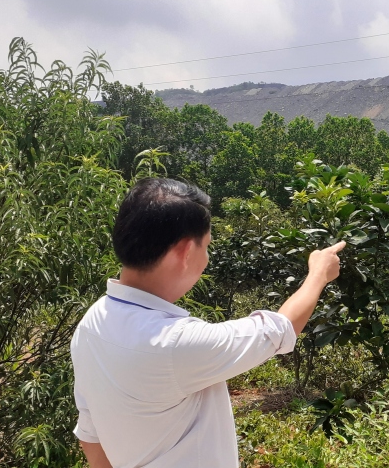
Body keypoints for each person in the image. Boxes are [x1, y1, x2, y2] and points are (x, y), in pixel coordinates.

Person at [70, 178, 344, 467]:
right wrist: (318, 274)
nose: (208, 257)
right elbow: (278, 329)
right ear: (186, 252)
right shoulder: (175, 345)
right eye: (207, 246)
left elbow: (90, 435)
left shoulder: (91, 324)